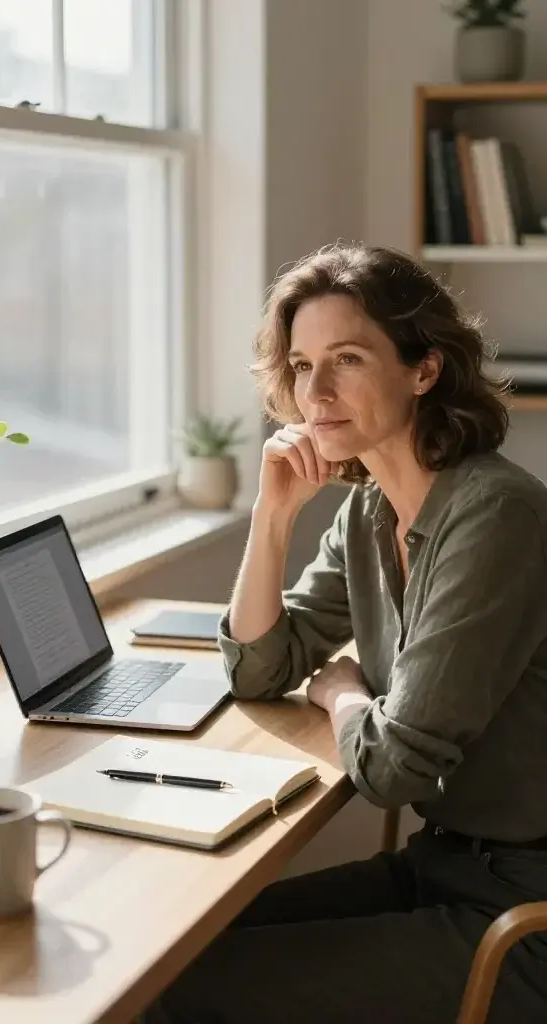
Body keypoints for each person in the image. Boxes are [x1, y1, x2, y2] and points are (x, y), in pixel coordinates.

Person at [160, 244, 547, 1023]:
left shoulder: (495, 516)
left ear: (424, 371)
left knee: (193, 992)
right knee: (174, 953)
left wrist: (341, 693)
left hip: (521, 913)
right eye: (301, 366)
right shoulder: (369, 511)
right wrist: (272, 516)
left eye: (346, 359)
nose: (317, 393)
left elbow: (394, 767)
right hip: (442, 866)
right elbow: (261, 666)